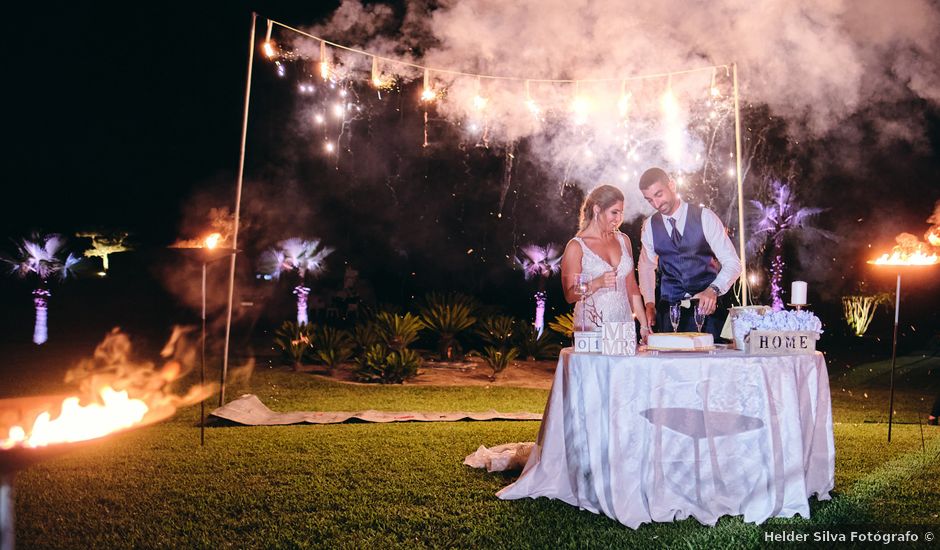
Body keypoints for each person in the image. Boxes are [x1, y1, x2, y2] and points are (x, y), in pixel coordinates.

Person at [637, 167, 741, 339]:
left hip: (708, 315)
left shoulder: (705, 217)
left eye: (659, 194)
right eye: (649, 200)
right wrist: (649, 303)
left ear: (672, 185)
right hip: (669, 317)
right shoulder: (649, 226)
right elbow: (646, 267)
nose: (656, 204)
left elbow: (733, 263)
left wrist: (713, 289)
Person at [561, 184, 650, 340]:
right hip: (592, 327)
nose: (619, 218)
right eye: (614, 212)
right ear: (597, 209)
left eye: (621, 213)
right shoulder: (577, 246)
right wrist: (597, 283)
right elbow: (569, 295)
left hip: (624, 326)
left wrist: (643, 326)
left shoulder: (624, 240)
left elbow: (632, 287)